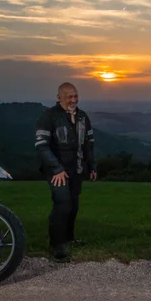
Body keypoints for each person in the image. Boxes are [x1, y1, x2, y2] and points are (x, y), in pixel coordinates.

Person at [35, 82, 97, 262]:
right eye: (69, 96)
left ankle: (69, 238)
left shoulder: (83, 117)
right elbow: (42, 147)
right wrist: (57, 169)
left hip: (76, 169)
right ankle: (56, 245)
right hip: (56, 171)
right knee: (62, 204)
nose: (74, 100)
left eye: (76, 96)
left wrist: (92, 166)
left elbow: (89, 144)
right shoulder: (48, 117)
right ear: (59, 97)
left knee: (73, 204)